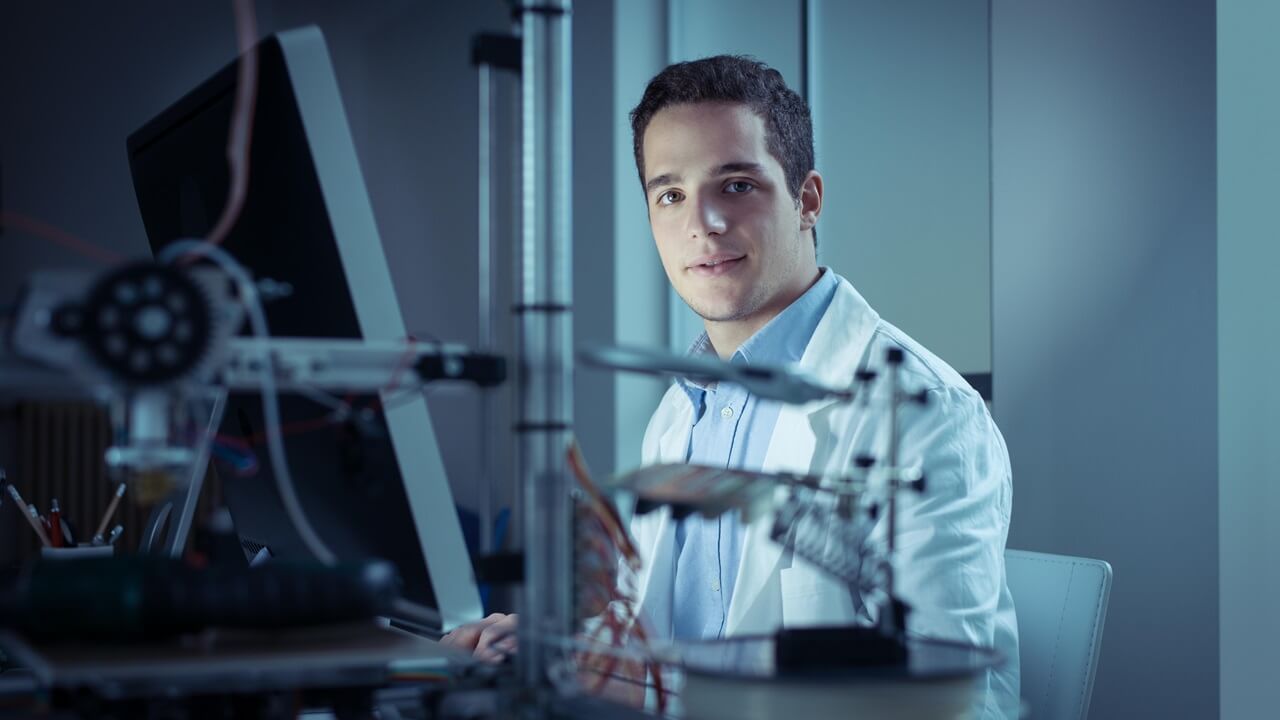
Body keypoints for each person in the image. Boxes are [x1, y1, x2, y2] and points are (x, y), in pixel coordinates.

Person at [443, 55, 1019, 718]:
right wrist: (567, 651)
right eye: (671, 194)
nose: (703, 223)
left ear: (807, 200)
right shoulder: (680, 410)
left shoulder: (924, 415)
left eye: (737, 185)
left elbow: (955, 707)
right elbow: (669, 642)